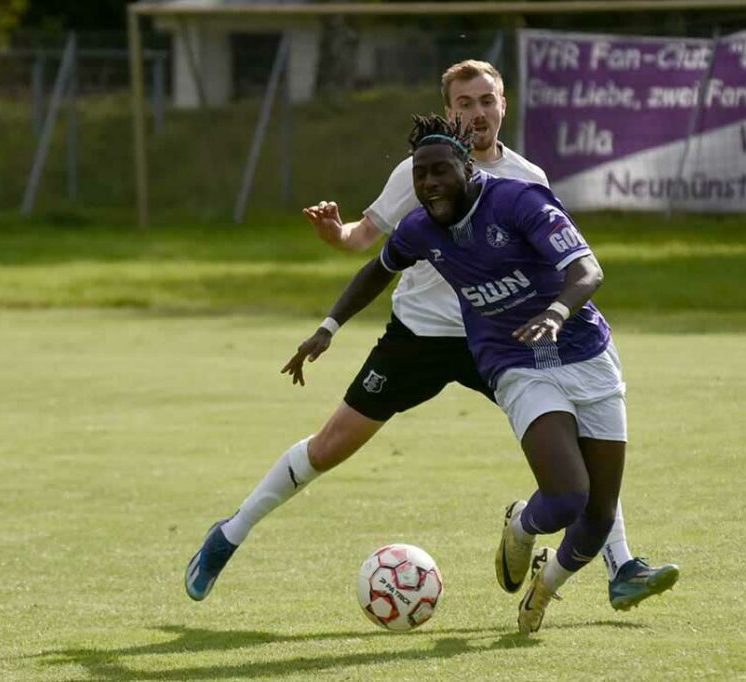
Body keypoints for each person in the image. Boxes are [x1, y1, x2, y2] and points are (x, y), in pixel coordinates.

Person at [185, 60, 662, 611]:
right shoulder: (423, 168)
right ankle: (231, 533)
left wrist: (555, 315)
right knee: (331, 445)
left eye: (487, 100)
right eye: (464, 103)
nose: (477, 112)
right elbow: (367, 243)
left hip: (506, 342)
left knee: (583, 443)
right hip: (422, 335)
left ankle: (620, 563)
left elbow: (564, 264)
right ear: (449, 111)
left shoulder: (527, 180)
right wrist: (334, 238)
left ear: (504, 105)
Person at [280, 114, 679, 634]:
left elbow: (588, 271)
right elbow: (378, 268)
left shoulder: (519, 202)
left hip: (585, 353)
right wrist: (329, 327)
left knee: (598, 517)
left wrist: (556, 313)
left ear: (467, 166)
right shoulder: (421, 228)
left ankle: (544, 588)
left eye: (440, 171)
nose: (429, 185)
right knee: (565, 498)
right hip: (514, 361)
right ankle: (522, 525)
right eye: (421, 175)